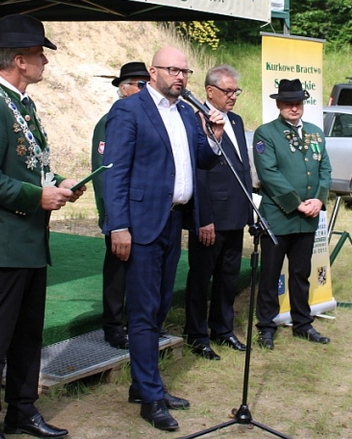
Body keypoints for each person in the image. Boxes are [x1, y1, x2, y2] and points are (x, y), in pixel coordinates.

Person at [0, 14, 84, 439]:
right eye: (39, 55)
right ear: (18, 60)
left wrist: (59, 183)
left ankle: (22, 411)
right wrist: (37, 196)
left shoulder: (21, 103)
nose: (44, 62)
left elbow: (30, 167)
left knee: (28, 333)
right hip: (4, 242)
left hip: (30, 240)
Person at [102, 46, 224, 432]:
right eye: (173, 70)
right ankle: (151, 397)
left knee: (156, 310)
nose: (181, 77)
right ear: (152, 72)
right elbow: (114, 173)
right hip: (140, 226)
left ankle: (144, 385)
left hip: (173, 223)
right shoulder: (129, 110)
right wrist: (117, 226)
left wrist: (215, 136)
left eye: (185, 71)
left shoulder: (186, 113)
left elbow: (202, 159)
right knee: (142, 311)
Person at [252, 78, 332, 350]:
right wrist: (297, 203)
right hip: (278, 217)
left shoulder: (315, 133)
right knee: (270, 274)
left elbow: (325, 170)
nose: (294, 108)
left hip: (307, 217)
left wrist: (319, 201)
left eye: (297, 102)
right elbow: (269, 174)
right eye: (288, 103)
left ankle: (302, 323)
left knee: (301, 273)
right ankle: (266, 326)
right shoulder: (267, 133)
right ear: (278, 104)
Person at [184, 65, 254, 361]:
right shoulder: (196, 119)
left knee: (229, 275)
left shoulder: (235, 121)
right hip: (211, 215)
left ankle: (222, 329)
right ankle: (196, 334)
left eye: (236, 91)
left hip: (235, 213)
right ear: (210, 91)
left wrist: (249, 210)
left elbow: (242, 168)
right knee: (202, 277)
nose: (233, 96)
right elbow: (199, 173)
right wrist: (204, 218)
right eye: (227, 91)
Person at [91, 61, 151, 349]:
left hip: (144, 211)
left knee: (140, 273)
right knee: (117, 273)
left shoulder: (148, 118)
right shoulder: (110, 120)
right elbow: (104, 172)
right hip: (120, 212)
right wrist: (112, 218)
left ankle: (135, 323)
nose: (144, 89)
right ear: (124, 89)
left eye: (146, 83)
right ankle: (114, 326)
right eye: (139, 84)